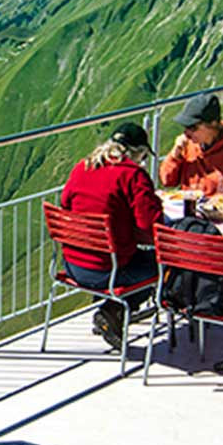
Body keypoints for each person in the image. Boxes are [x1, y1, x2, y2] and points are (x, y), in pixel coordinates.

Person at [58, 122, 161, 351]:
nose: (143, 162)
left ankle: (111, 310)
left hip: (72, 265)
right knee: (163, 265)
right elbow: (150, 225)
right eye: (144, 156)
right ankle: (112, 311)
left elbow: (66, 204)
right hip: (107, 270)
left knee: (129, 257)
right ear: (136, 152)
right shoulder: (133, 175)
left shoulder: (83, 167)